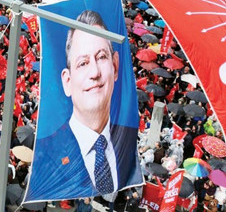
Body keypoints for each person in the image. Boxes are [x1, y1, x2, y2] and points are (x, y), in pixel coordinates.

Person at [27, 10, 142, 200]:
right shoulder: (47, 153)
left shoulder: (129, 139)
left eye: (102, 57)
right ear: (67, 81)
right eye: (83, 63)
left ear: (115, 66)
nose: (94, 72)